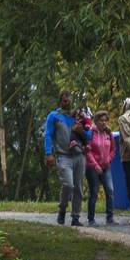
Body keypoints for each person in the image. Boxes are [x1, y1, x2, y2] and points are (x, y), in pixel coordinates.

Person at [43, 90, 84, 227]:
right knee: (68, 184)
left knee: (78, 187)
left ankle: (75, 217)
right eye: (64, 100)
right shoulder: (54, 116)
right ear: (60, 101)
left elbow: (90, 135)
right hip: (63, 155)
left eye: (69, 100)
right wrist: (49, 153)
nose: (67, 103)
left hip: (79, 155)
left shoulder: (79, 117)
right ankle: (62, 209)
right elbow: (48, 134)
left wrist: (82, 131)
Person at [85, 110, 119, 225]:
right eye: (101, 120)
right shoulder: (91, 133)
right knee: (94, 192)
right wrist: (95, 165)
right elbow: (88, 151)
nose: (104, 123)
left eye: (105, 120)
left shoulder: (108, 133)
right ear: (96, 121)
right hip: (92, 167)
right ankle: (91, 219)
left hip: (106, 167)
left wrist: (108, 160)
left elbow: (113, 150)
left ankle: (110, 218)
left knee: (110, 190)